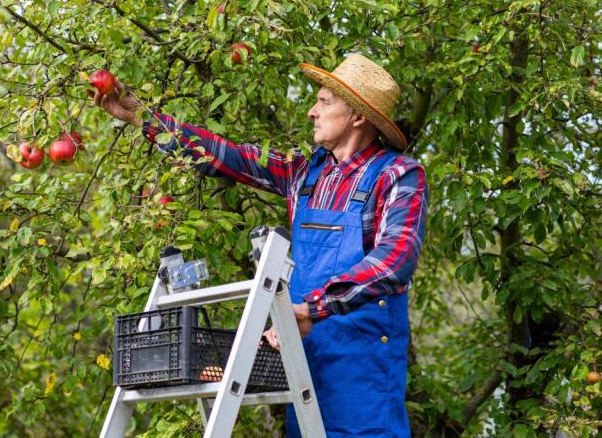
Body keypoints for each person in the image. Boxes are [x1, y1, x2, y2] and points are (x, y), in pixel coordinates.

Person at [93, 53, 428, 437]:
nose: (311, 112)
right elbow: (224, 156)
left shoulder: (398, 175)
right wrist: (142, 116)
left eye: (323, 101)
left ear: (357, 116)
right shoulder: (304, 173)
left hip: (362, 380)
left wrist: (311, 309)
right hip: (305, 371)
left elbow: (394, 261)